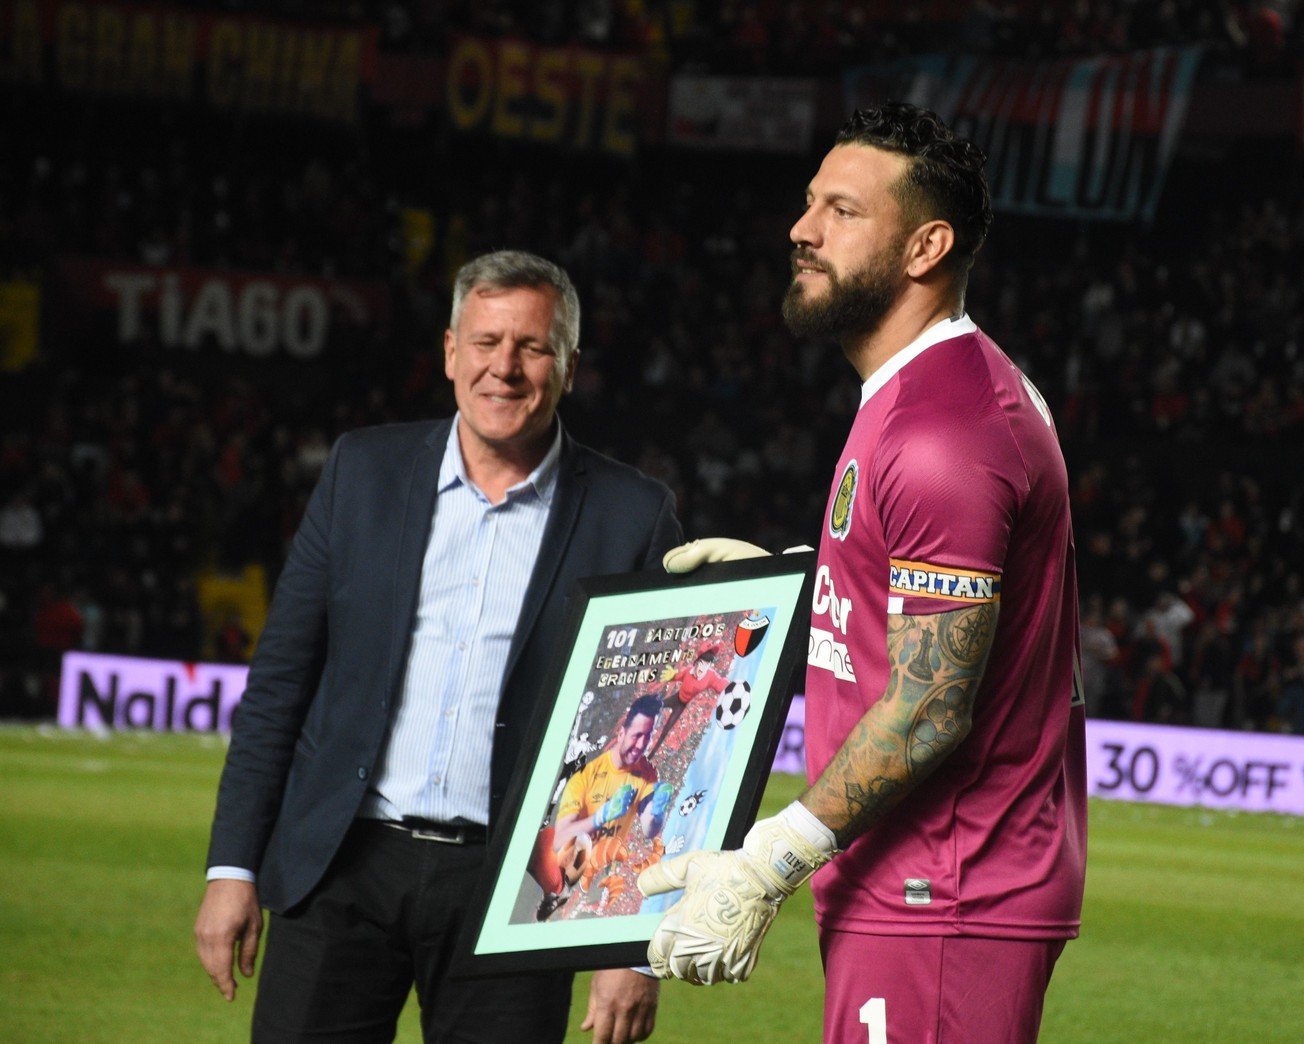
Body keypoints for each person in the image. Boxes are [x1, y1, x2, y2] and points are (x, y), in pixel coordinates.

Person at [639, 103, 1086, 1043]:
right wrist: (809, 582)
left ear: (926, 246)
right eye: (809, 205)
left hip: (943, 890)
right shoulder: (924, 395)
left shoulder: (942, 430)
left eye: (841, 211)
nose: (801, 230)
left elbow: (930, 704)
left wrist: (767, 859)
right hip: (919, 884)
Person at [194, 250, 681, 1044]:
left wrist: (632, 942)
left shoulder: (633, 514)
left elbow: (650, 739)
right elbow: (280, 682)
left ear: (569, 365)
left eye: (531, 346)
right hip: (341, 868)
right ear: (450, 350)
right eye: (485, 343)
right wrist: (231, 869)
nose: (505, 368)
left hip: (512, 888)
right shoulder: (363, 471)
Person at [534, 695, 674, 920]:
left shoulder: (646, 772)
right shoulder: (587, 775)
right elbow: (560, 838)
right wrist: (601, 817)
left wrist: (657, 812)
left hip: (593, 866)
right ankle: (553, 897)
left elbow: (649, 828)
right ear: (622, 734)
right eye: (637, 736)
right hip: (559, 858)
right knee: (580, 844)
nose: (640, 745)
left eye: (647, 738)